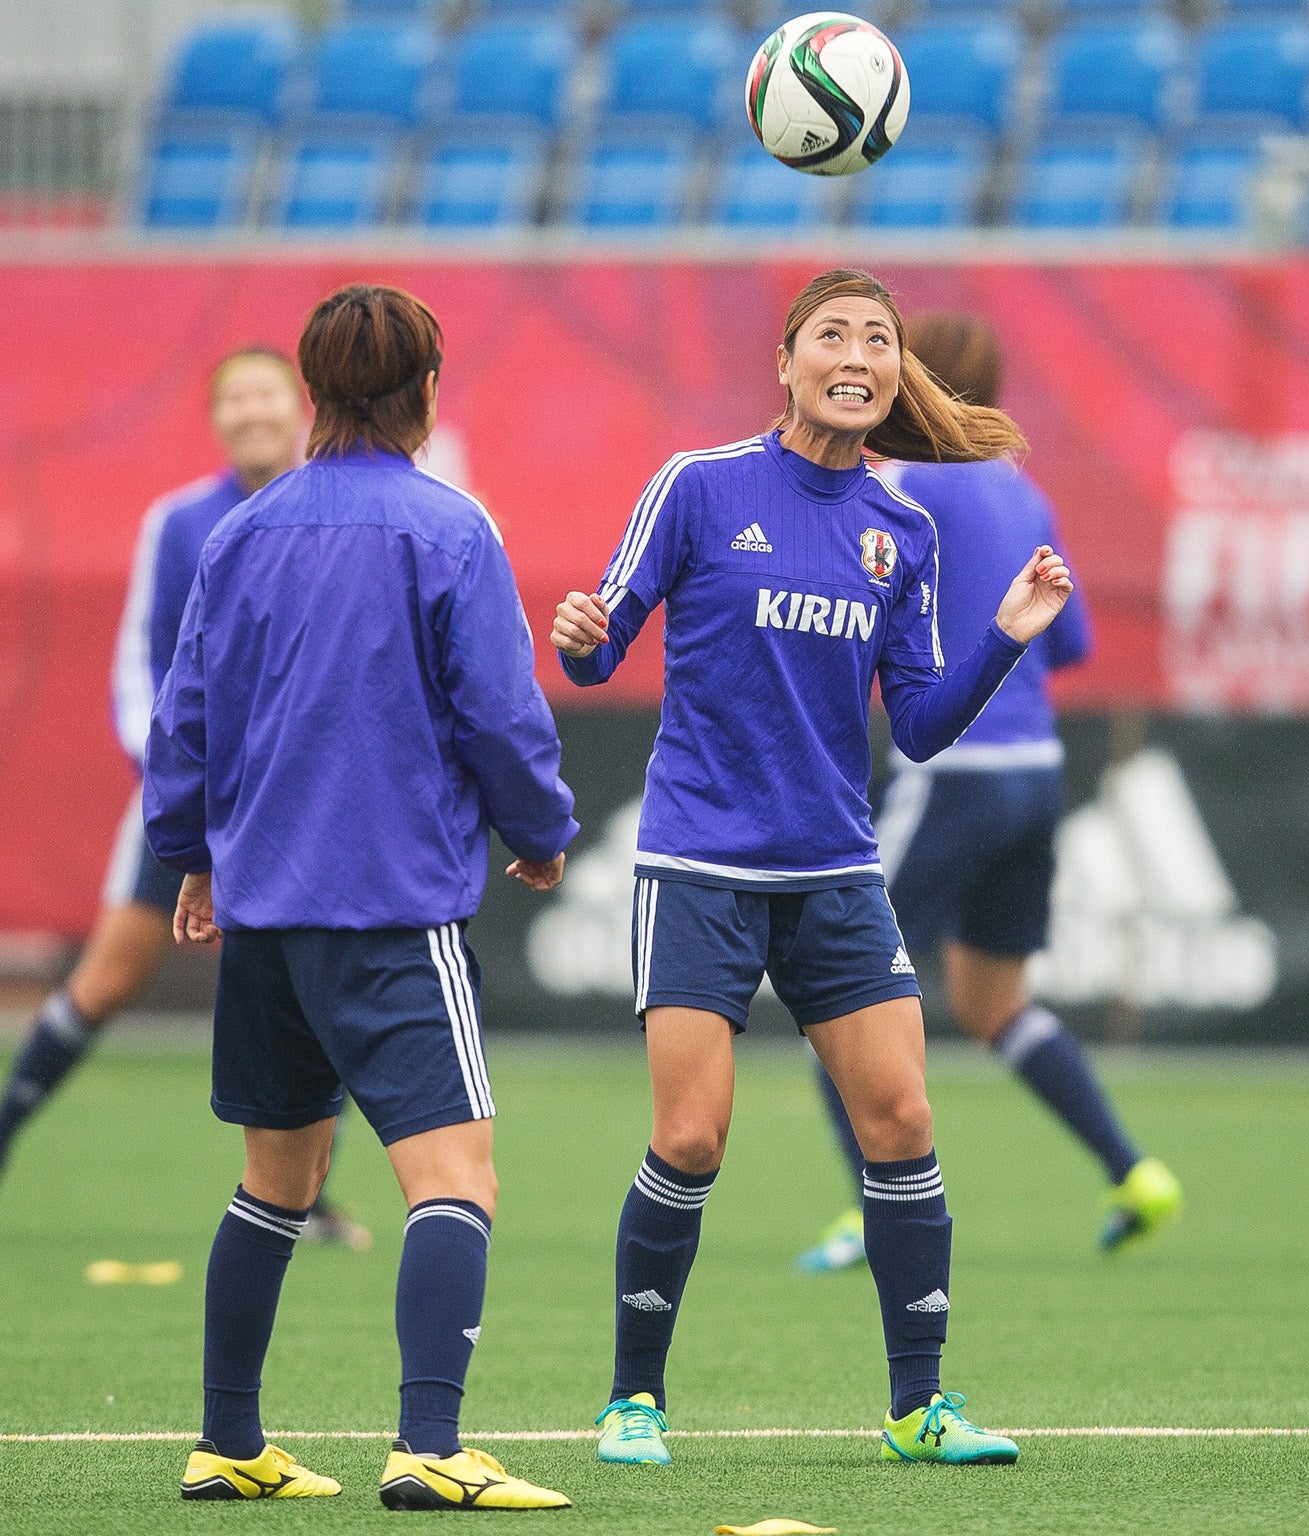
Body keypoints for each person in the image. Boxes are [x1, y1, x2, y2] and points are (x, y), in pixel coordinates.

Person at [551, 269, 1072, 1470]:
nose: (857, 352)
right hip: (699, 864)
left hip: (836, 870)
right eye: (831, 333)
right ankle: (634, 1400)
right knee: (691, 1139)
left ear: (896, 374)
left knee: (901, 1118)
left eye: (877, 338)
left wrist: (1004, 639)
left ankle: (917, 1408)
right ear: (784, 362)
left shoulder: (910, 530)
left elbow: (924, 724)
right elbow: (602, 644)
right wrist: (582, 640)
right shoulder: (697, 486)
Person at [147, 284, 579, 1509]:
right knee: (456, 1181)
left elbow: (188, 717)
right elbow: (497, 710)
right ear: (427, 391)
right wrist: (539, 829)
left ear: (314, 390)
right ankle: (430, 1449)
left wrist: (193, 853)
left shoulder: (242, 532)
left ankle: (228, 1441)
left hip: (266, 910)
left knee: (275, 1182)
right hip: (389, 910)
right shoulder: (449, 530)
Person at [795, 313, 1180, 1277]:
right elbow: (1075, 643)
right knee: (995, 1002)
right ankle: (1133, 1171)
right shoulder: (1021, 489)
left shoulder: (897, 487)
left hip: (951, 775)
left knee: (835, 999)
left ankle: (869, 1211)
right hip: (1036, 775)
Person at [0, 351, 362, 1246]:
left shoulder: (348, 506)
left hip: (305, 803)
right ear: (214, 417)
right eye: (232, 396)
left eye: (265, 392)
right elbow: (143, 665)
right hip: (193, 800)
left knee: (329, 988)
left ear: (301, 405)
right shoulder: (181, 521)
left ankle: (305, 1196)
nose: (251, 410)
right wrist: (175, 787)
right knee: (108, 980)